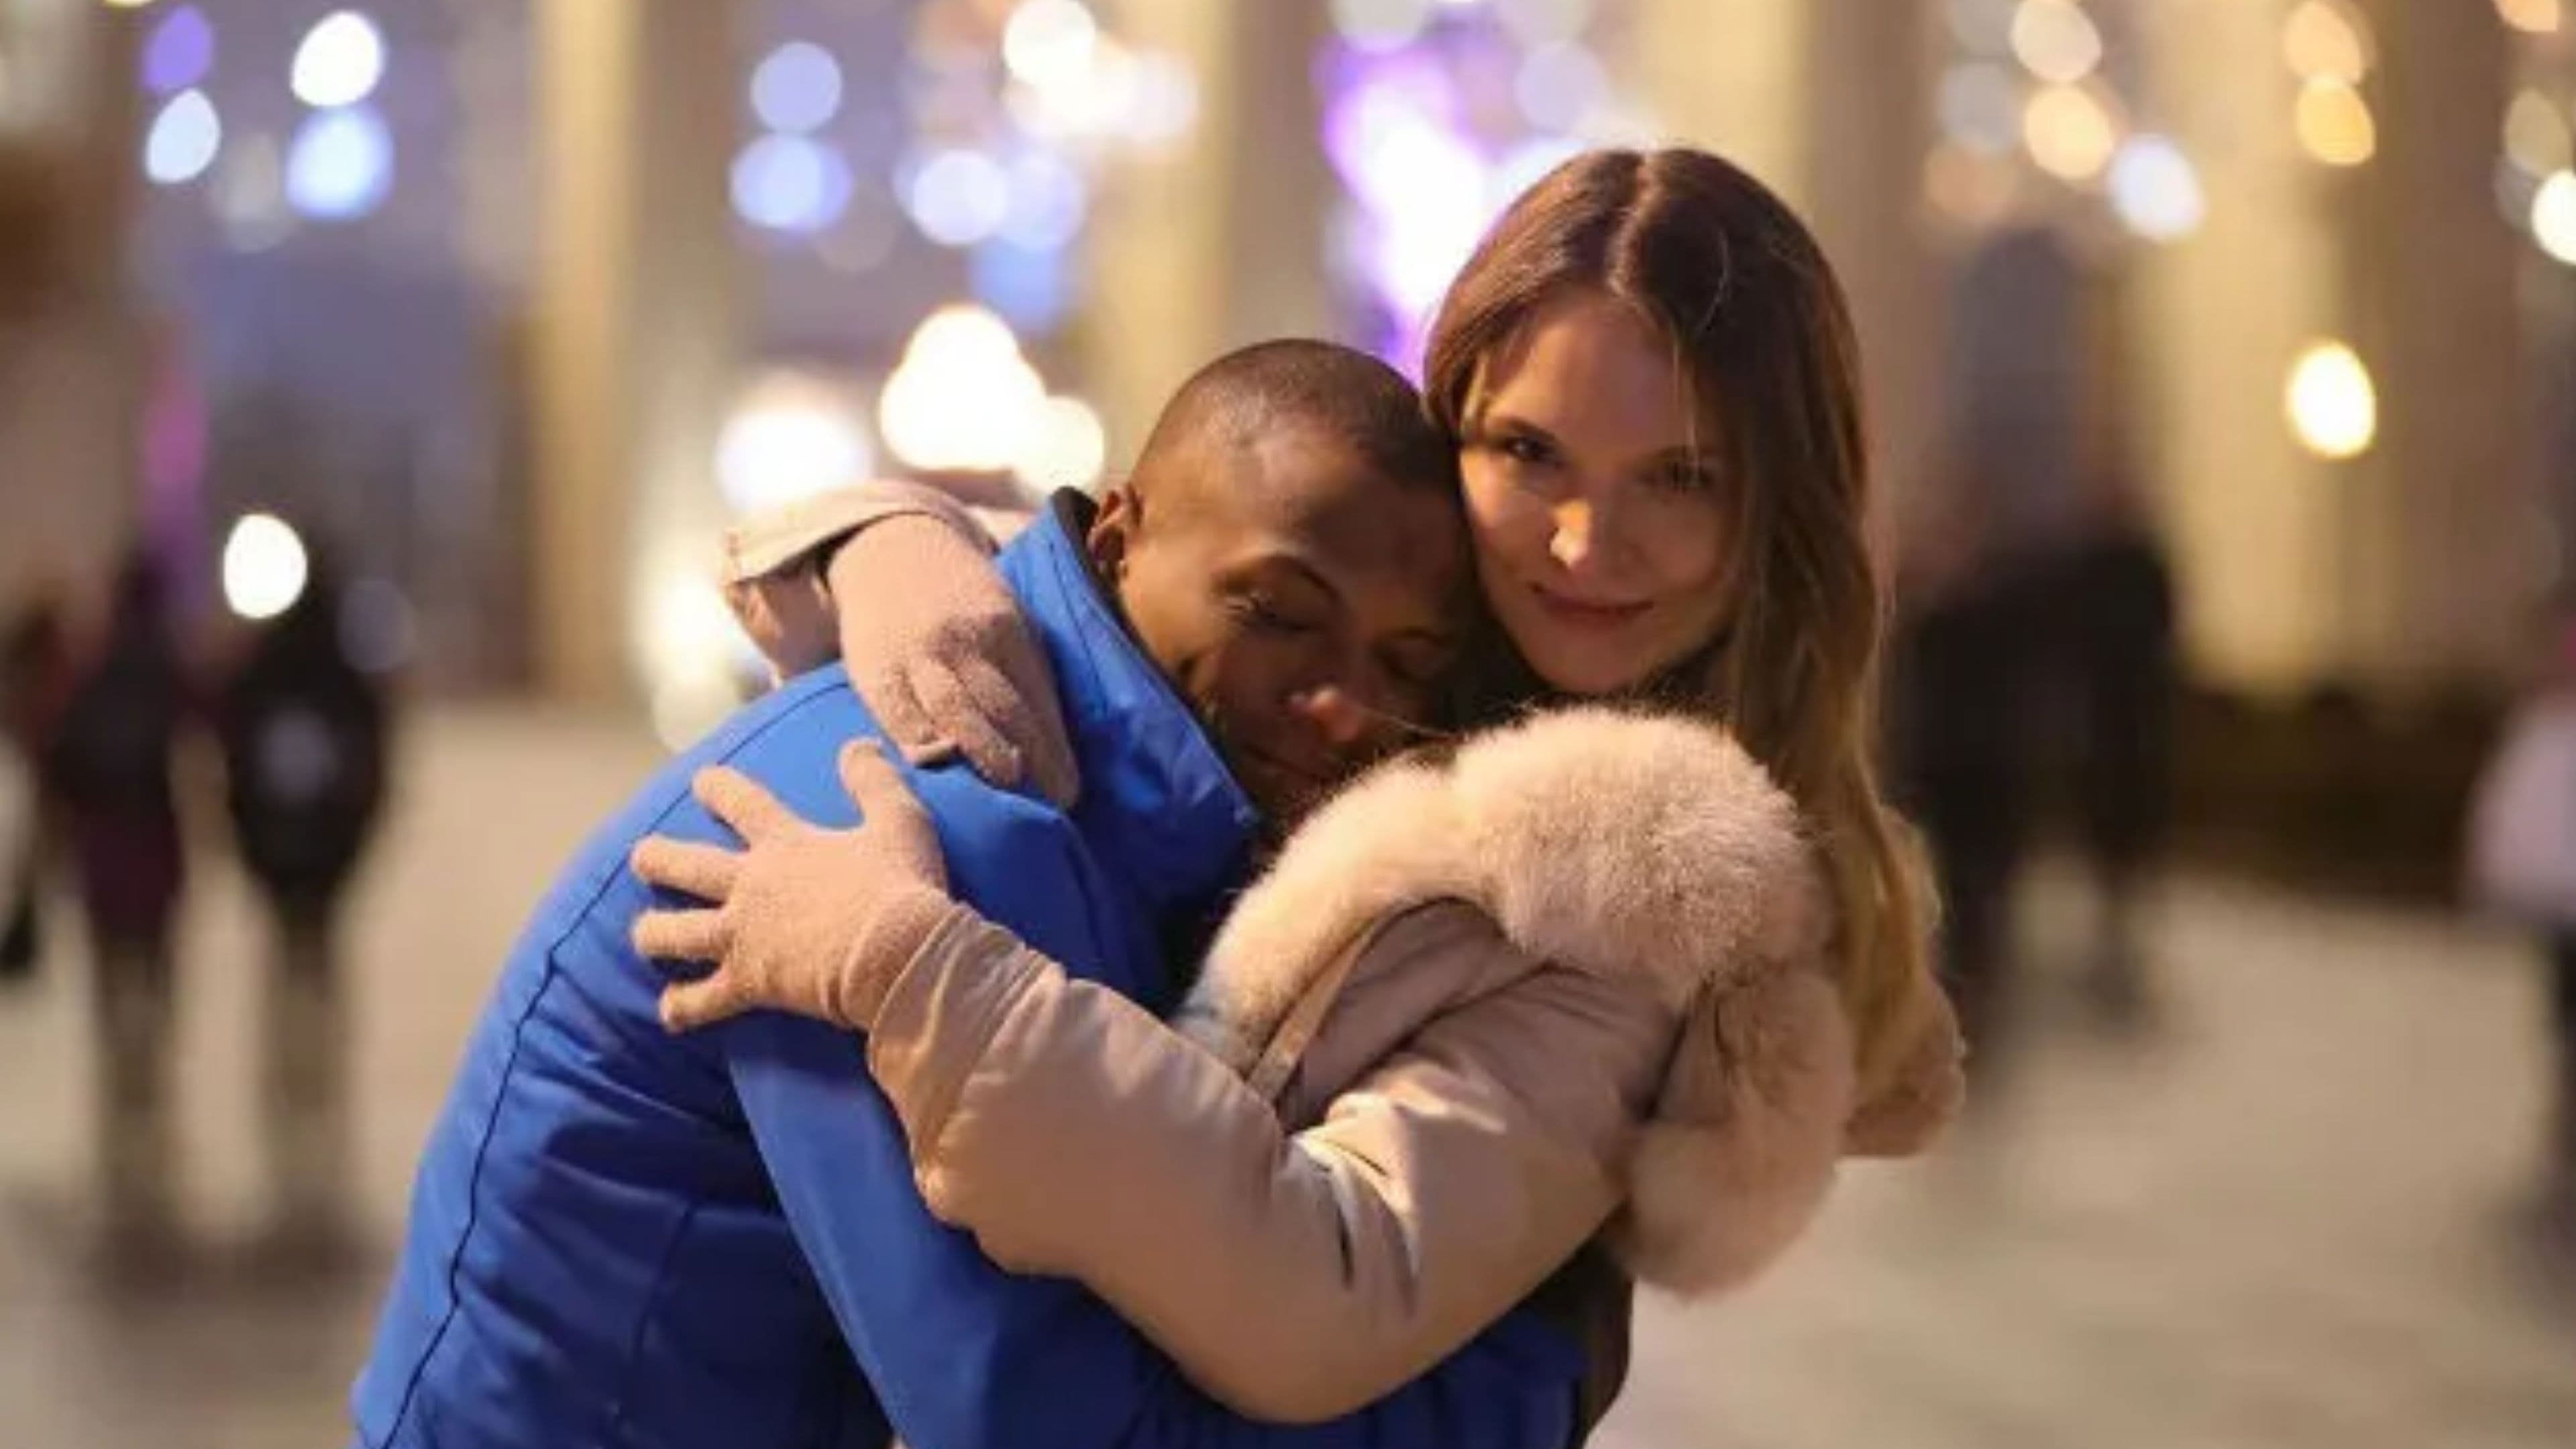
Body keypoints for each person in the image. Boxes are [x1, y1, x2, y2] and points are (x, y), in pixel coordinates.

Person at [639, 148, 1963, 1428]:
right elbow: (1176, 569)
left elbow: (1320, 1283)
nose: (1583, 541)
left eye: (1680, 477)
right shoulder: (1420, 678)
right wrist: (898, 541)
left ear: (1776, 508)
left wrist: (914, 975)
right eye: (1529, 451)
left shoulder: (1651, 888)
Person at [354, 341, 1608, 1449]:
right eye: (1278, 613)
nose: (1341, 703)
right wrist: (1520, 1391)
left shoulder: (1108, 807)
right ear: (1116, 536)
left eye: (1405, 664)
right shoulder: (916, 819)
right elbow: (1045, 1419)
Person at [215, 556, 390, 1240]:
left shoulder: (264, 671)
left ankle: (287, 1093)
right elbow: (372, 769)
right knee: (319, 973)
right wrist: (352, 851)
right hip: (326, 863)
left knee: (284, 973)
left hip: (280, 857)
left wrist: (249, 847)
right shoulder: (345, 678)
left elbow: (233, 763)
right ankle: (319, 1092)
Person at [44, 550, 193, 1242]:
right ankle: (150, 1093)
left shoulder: (91, 672)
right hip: (157, 855)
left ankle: (119, 1102)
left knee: (111, 985)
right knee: (156, 980)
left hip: (103, 859)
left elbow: (60, 760)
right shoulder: (168, 671)